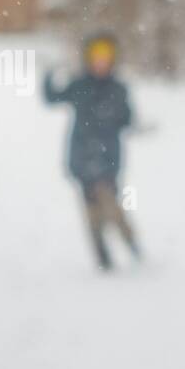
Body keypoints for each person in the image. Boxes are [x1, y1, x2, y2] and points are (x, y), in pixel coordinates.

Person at [43, 32, 140, 271]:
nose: (100, 62)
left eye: (105, 56)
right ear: (88, 58)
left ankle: (131, 243)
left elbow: (128, 119)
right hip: (81, 158)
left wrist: (116, 118)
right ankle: (102, 257)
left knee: (112, 205)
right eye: (96, 56)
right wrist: (50, 73)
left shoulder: (118, 88)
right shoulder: (79, 85)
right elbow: (52, 97)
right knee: (91, 212)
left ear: (113, 59)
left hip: (108, 160)